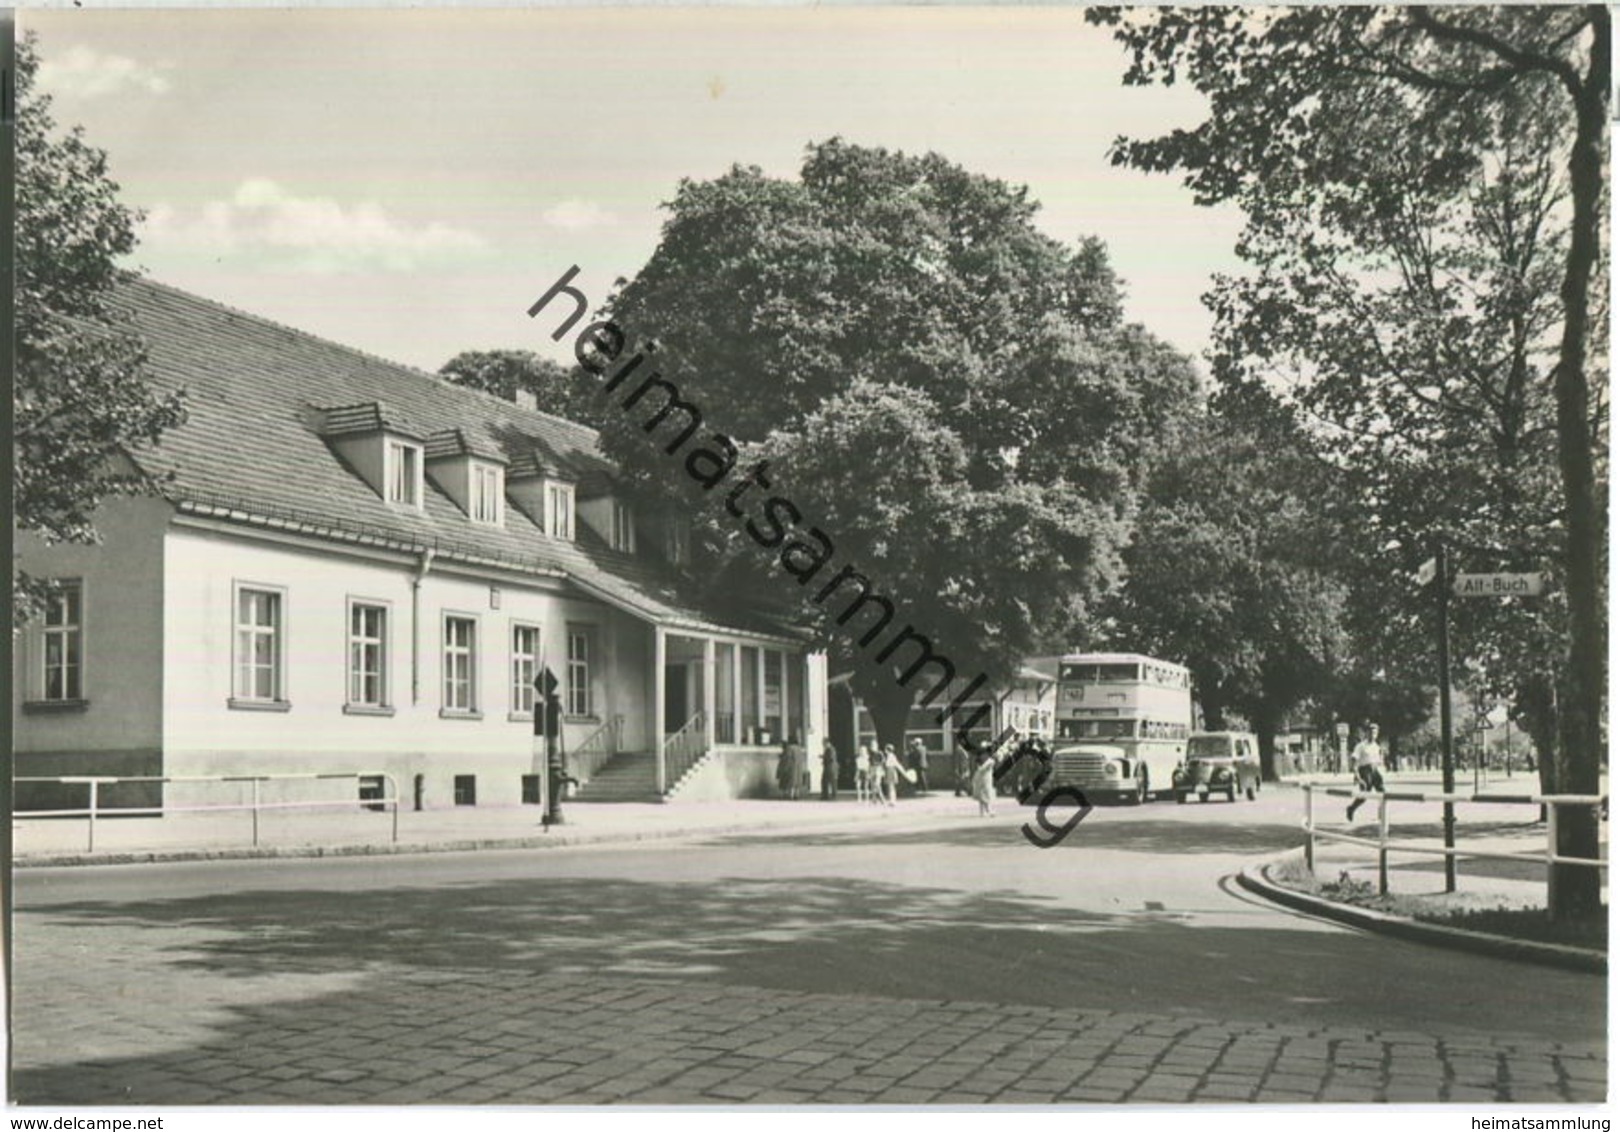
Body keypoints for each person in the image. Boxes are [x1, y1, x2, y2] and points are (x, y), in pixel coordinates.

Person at [1346, 723, 1386, 822]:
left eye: (1375, 733)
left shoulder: (1377, 746)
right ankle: (1351, 808)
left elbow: (1378, 761)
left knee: (1383, 793)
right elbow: (1354, 761)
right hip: (1365, 771)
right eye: (1371, 732)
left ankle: (1381, 817)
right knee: (1364, 796)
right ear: (1367, 733)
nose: (1373, 735)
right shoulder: (1361, 746)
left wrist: (1382, 770)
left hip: (1375, 771)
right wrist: (1356, 775)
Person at [970, 745, 997, 817]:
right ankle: (988, 810)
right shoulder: (989, 761)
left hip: (984, 778)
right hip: (984, 779)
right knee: (985, 794)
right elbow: (981, 769)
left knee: (983, 795)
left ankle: (982, 812)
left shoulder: (987, 760)